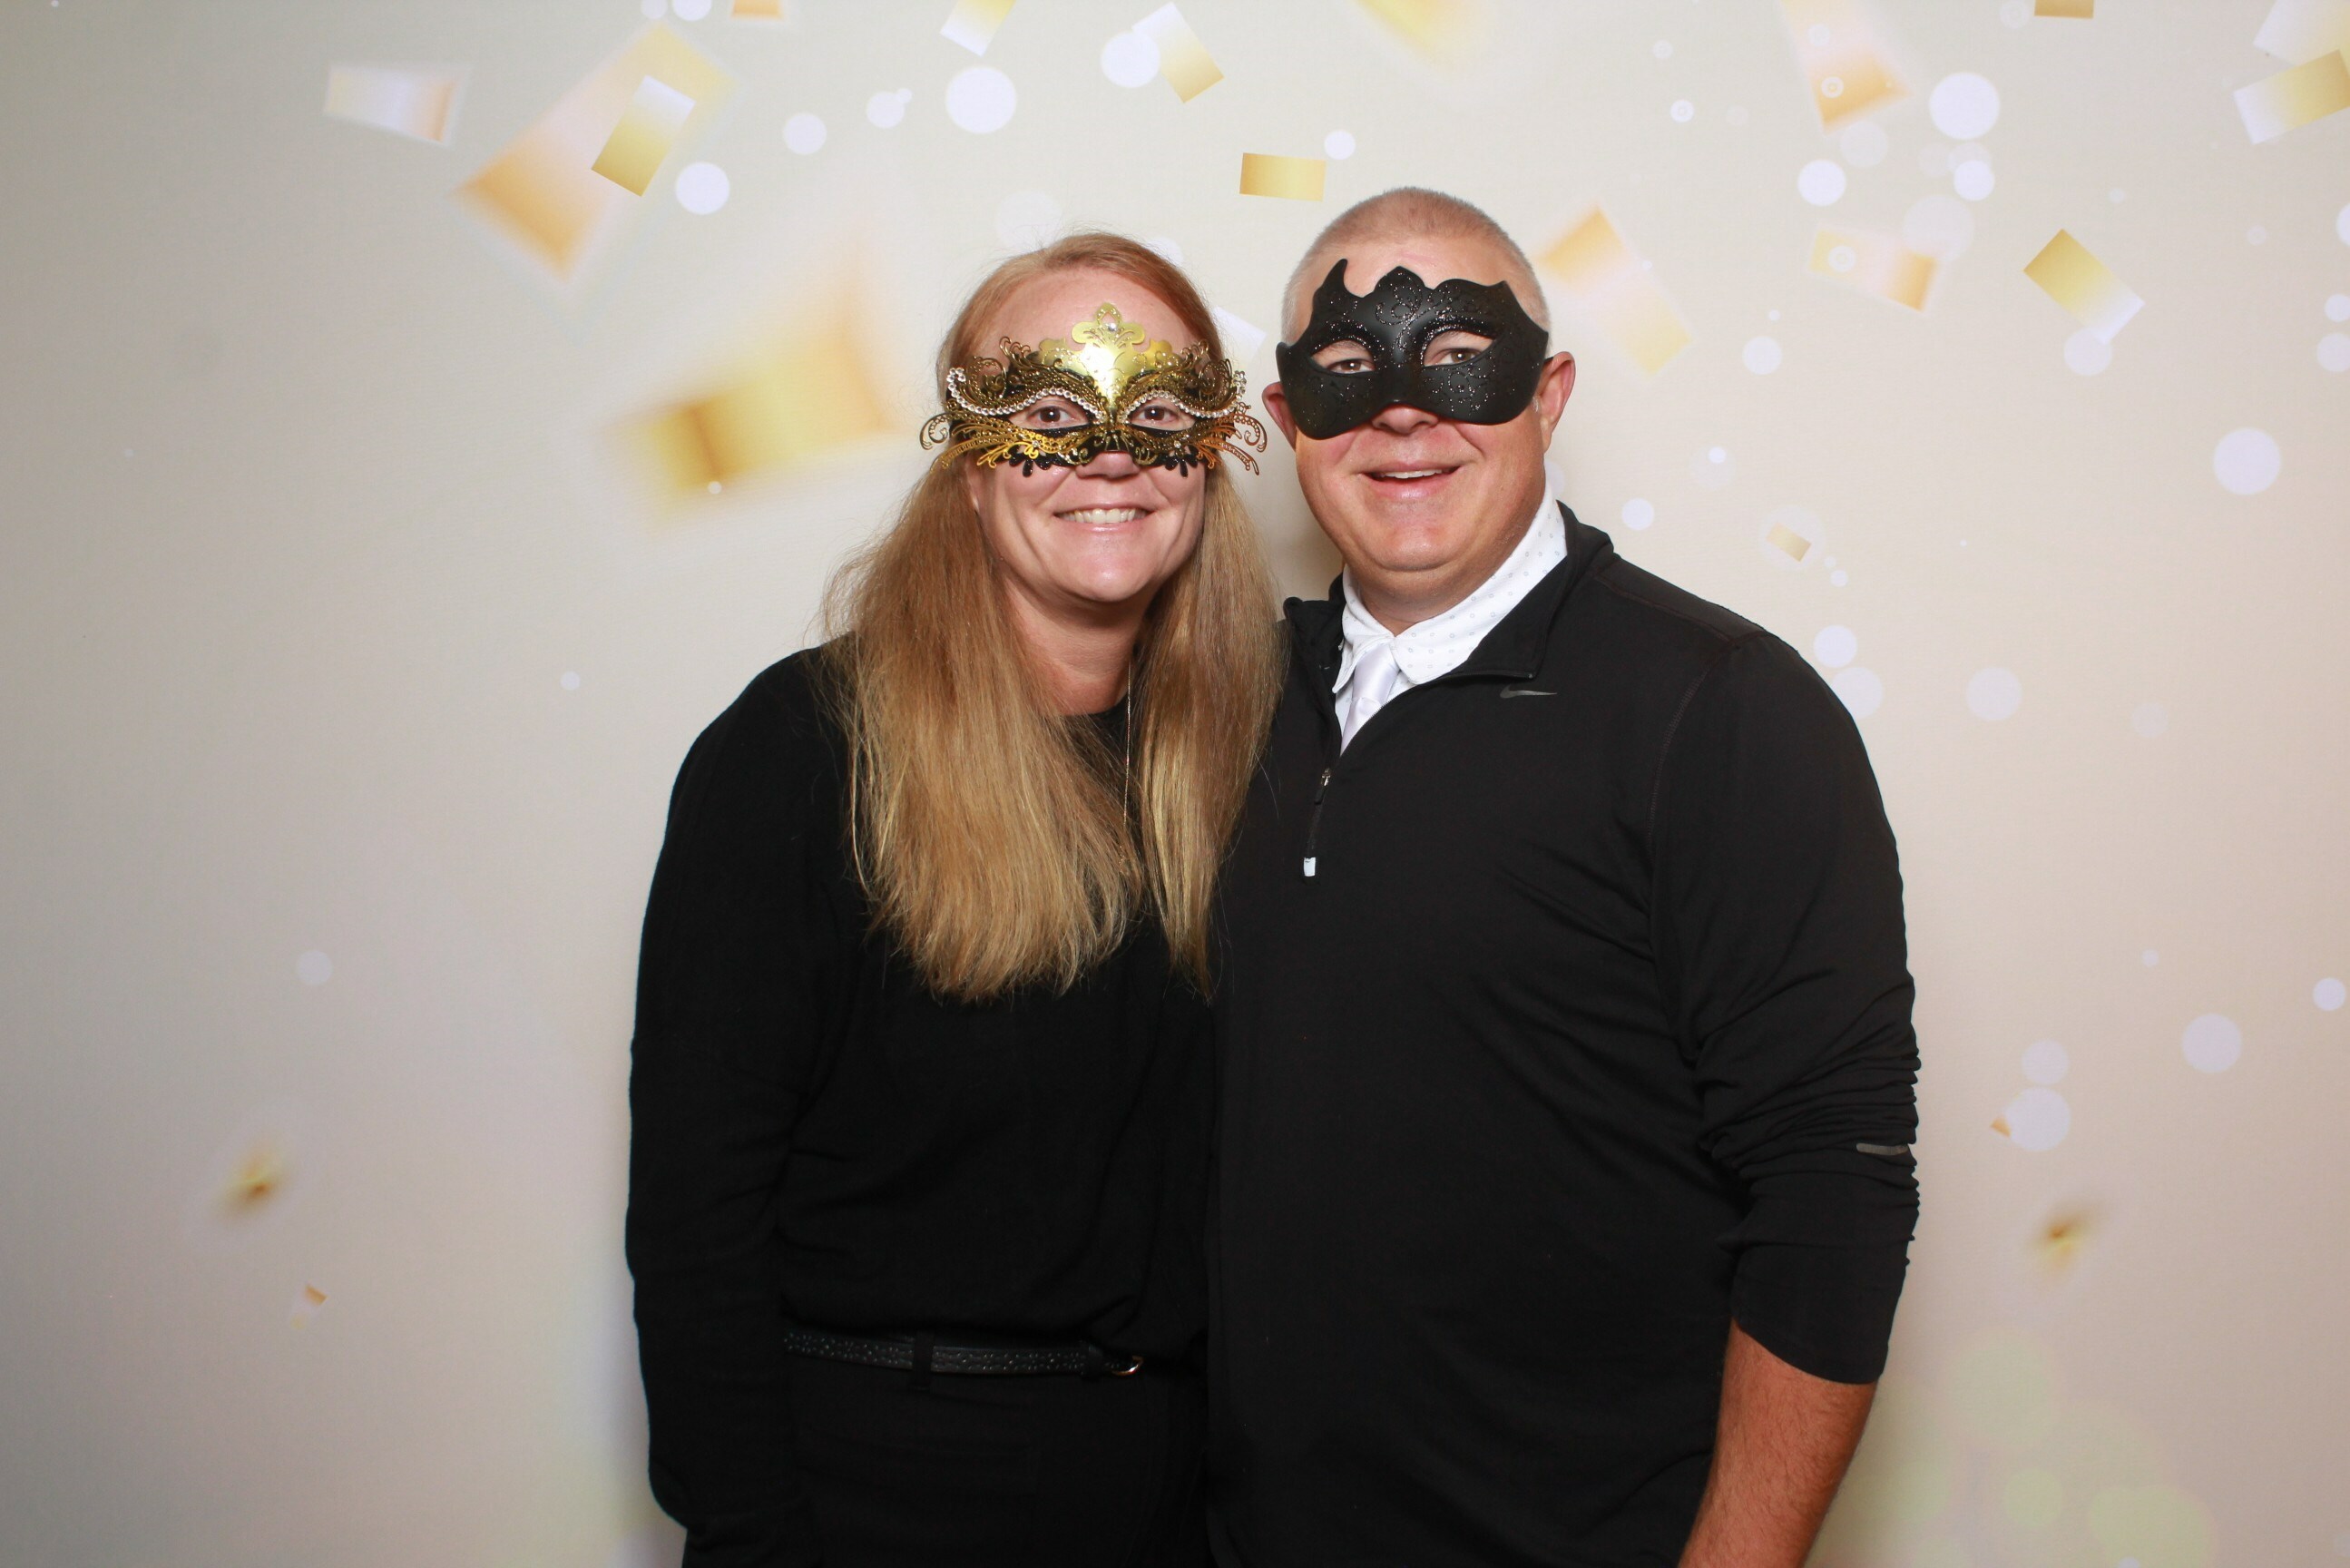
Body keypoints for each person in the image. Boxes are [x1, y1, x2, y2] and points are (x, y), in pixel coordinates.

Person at [1207, 188, 1921, 1568]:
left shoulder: (1717, 708)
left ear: (1549, 394)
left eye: (1457, 357)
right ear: (1288, 419)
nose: (1402, 412)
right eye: (1348, 369)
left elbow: (1833, 1181)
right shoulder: (1223, 708)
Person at [626, 231, 1282, 1567]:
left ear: (1209, 454)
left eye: (1161, 414)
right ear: (969, 464)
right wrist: (751, 1535)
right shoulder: (805, 751)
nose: (1110, 455)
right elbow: (697, 1213)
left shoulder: (1254, 758)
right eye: (1049, 414)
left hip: (1170, 1492)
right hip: (878, 1494)